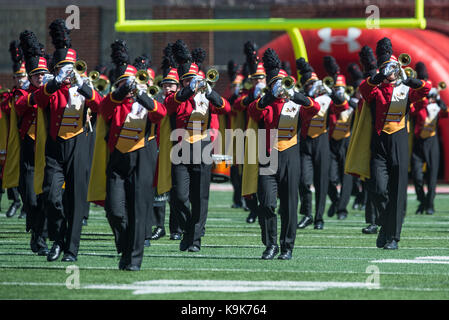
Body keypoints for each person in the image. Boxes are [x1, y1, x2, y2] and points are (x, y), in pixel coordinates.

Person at [29, 19, 103, 262]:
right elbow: (38, 100)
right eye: (64, 68)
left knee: (76, 201)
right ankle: (59, 237)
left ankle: (70, 249)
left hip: (79, 145)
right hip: (55, 147)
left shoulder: (84, 85)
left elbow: (101, 106)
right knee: (51, 195)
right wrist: (55, 81)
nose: (69, 73)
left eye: (71, 68)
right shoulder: (52, 88)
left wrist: (84, 87)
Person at [355, 37, 431, 249]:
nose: (391, 72)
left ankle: (393, 237)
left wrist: (408, 79)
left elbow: (426, 90)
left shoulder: (406, 89)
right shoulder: (377, 88)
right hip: (379, 141)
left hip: (398, 139)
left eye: (393, 68)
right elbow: (365, 90)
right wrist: (381, 74)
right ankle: (385, 223)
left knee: (397, 190)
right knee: (378, 189)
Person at [246, 48, 320, 259]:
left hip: (290, 155)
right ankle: (270, 244)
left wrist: (295, 95)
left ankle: (287, 247)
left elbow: (314, 108)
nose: (280, 87)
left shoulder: (295, 104)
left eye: (282, 83)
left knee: (289, 205)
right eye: (275, 84)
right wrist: (271, 95)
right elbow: (253, 110)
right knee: (268, 203)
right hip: (267, 156)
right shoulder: (264, 103)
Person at [164, 39, 231, 252]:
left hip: (202, 147)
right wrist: (188, 90)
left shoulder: (206, 96)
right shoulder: (177, 96)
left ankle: (194, 240)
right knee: (179, 196)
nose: (191, 82)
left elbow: (226, 108)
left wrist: (209, 91)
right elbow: (170, 105)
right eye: (187, 80)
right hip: (180, 148)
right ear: (182, 82)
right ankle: (188, 231)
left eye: (193, 79)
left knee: (200, 198)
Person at [296, 58, 348, 230]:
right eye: (309, 83)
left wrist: (332, 92)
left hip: (322, 141)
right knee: (304, 180)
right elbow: (302, 113)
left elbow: (343, 107)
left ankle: (319, 218)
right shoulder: (301, 97)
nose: (313, 85)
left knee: (321, 181)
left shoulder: (327, 98)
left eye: (314, 82)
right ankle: (307, 214)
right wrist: (310, 95)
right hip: (305, 143)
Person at [13, 30, 51, 255]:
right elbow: (19, 106)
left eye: (42, 73)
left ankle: (40, 238)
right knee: (29, 197)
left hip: (48, 152)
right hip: (28, 151)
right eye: (36, 74)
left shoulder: (51, 91)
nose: (39, 77)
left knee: (45, 197)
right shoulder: (24, 92)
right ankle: (36, 230)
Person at [233, 41, 266, 223]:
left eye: (261, 78)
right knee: (247, 176)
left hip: (269, 139)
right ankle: (253, 209)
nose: (259, 81)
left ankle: (265, 207)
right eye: (255, 79)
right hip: (250, 138)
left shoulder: (273, 91)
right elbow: (236, 105)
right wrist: (253, 96)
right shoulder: (248, 92)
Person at [410, 62, 447, 215]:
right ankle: (422, 200)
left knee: (432, 176)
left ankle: (429, 204)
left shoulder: (436, 104)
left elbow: (445, 113)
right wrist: (425, 100)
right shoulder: (417, 101)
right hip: (419, 141)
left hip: (432, 142)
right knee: (417, 176)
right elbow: (411, 110)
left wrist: (439, 102)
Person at [325, 56, 354, 220]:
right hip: (331, 142)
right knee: (329, 177)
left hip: (347, 142)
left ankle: (342, 209)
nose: (339, 90)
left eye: (341, 87)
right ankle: (335, 201)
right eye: (336, 87)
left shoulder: (352, 103)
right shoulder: (328, 103)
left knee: (346, 178)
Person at [1, 41, 26, 219]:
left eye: (23, 76)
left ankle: (24, 204)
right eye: (17, 77)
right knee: (10, 169)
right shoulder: (9, 96)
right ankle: (16, 200)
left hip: (28, 138)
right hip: (12, 138)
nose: (20, 80)